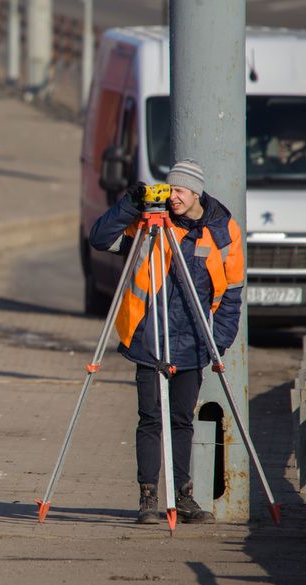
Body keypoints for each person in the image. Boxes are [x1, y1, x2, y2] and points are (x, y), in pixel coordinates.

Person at [89, 159, 244, 525]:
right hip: (149, 336)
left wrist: (216, 344)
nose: (173, 197)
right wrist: (131, 203)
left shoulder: (223, 229)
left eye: (180, 191)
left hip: (192, 343)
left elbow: (233, 293)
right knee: (150, 419)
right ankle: (148, 497)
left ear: (196, 193)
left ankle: (183, 495)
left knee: (180, 420)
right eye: (170, 189)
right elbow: (100, 239)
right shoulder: (151, 223)